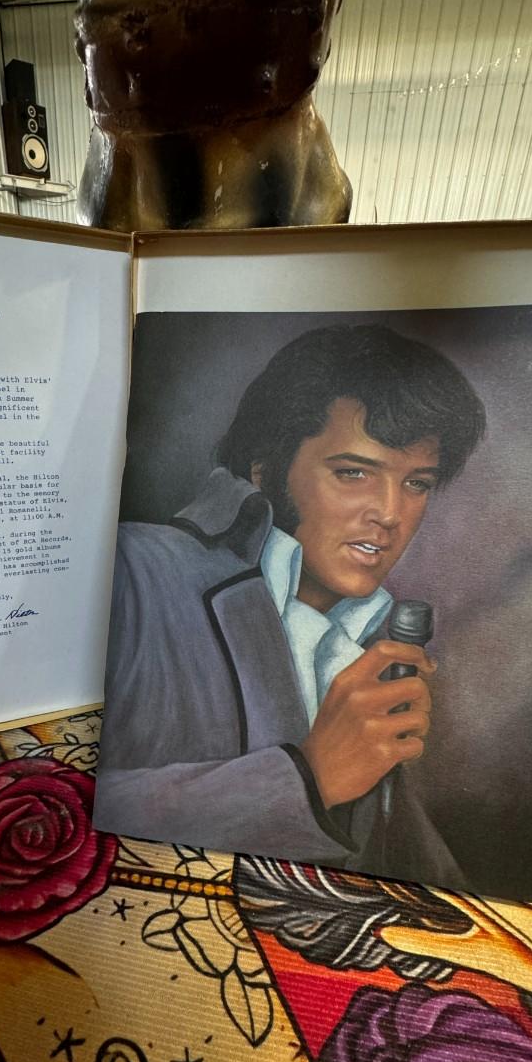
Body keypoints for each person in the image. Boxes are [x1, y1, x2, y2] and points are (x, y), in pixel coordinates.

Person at [93, 324, 486, 880]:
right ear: (265, 469)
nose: (390, 513)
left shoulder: (369, 644)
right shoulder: (137, 565)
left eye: (417, 483)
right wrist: (308, 777)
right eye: (353, 473)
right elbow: (70, 798)